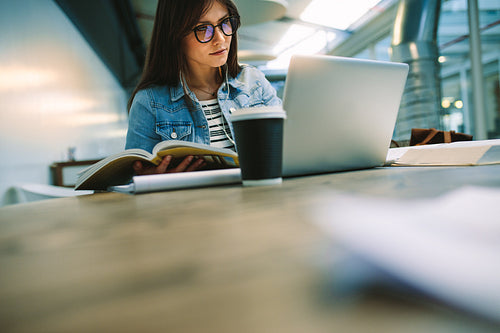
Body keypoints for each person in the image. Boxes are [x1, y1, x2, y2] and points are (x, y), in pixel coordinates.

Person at [126, 0, 282, 175]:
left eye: (225, 23)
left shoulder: (254, 82)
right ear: (175, 35)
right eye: (202, 28)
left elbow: (287, 145)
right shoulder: (149, 102)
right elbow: (132, 176)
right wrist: (150, 179)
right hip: (192, 201)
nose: (220, 39)